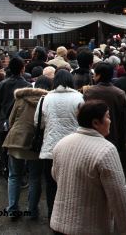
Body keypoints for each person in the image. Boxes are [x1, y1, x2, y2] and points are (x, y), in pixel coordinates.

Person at [51, 100, 126, 235]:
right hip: (90, 227)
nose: (110, 121)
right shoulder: (106, 150)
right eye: (108, 116)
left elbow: (56, 175)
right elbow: (119, 196)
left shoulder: (62, 143)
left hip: (58, 223)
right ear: (96, 123)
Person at [35, 70, 83, 219]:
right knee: (73, 184)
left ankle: (52, 214)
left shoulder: (45, 98)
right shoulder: (79, 97)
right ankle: (70, 214)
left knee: (51, 184)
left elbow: (38, 123)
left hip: (51, 148)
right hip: (74, 148)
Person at [2, 77, 49, 220]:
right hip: (35, 144)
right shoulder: (47, 102)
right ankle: (32, 210)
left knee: (14, 176)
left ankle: (12, 209)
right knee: (35, 178)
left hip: (16, 140)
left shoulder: (21, 99)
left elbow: (11, 120)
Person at [0, 57, 31, 177]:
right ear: (22, 69)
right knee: (19, 148)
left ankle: (6, 170)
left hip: (4, 119)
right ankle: (19, 173)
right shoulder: (27, 86)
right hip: (20, 121)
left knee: (5, 146)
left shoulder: (2, 84)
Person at [83, 62, 126, 153]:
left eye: (95, 74)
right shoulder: (119, 93)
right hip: (114, 136)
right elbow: (124, 119)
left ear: (98, 75)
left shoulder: (89, 92)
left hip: (93, 136)